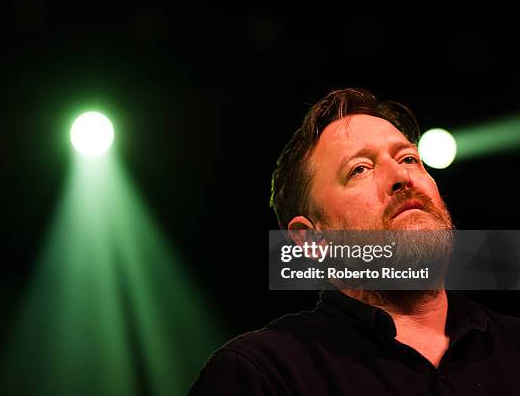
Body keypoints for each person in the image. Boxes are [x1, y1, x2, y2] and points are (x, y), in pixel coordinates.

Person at [188, 88, 520, 395]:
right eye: (360, 169)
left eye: (408, 158)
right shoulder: (260, 375)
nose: (402, 177)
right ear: (312, 239)